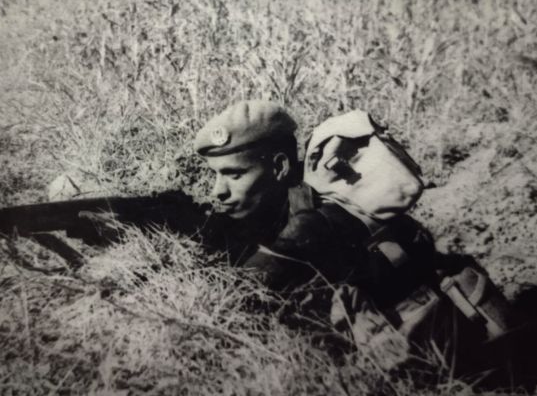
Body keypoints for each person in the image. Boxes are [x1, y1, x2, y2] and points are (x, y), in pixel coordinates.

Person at [193, 100, 515, 377]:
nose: (218, 191)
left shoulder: (314, 225)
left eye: (234, 174)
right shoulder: (302, 203)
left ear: (279, 167)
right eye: (215, 174)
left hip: (446, 361)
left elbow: (234, 298)